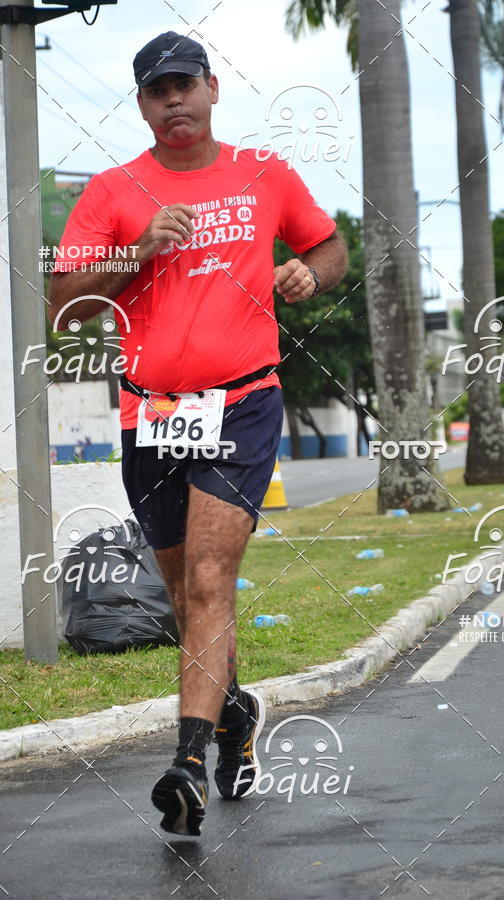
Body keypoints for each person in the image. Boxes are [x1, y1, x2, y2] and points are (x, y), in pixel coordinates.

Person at [48, 32, 348, 835]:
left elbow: (330, 246)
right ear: (142, 104)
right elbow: (66, 304)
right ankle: (235, 716)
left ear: (213, 89)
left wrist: (307, 274)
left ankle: (185, 767)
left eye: (185, 84)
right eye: (157, 90)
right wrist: (137, 251)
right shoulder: (112, 192)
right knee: (186, 597)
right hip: (150, 409)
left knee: (213, 579)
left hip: (242, 401)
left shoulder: (264, 176)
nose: (173, 99)